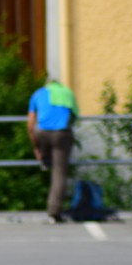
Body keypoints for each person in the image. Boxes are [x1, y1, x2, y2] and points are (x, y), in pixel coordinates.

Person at [27, 77, 79, 223]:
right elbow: (74, 117)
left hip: (42, 132)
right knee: (59, 173)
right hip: (62, 133)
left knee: (41, 136)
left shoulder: (38, 93)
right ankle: (54, 212)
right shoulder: (67, 93)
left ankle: (44, 157)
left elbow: (30, 124)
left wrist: (36, 147)